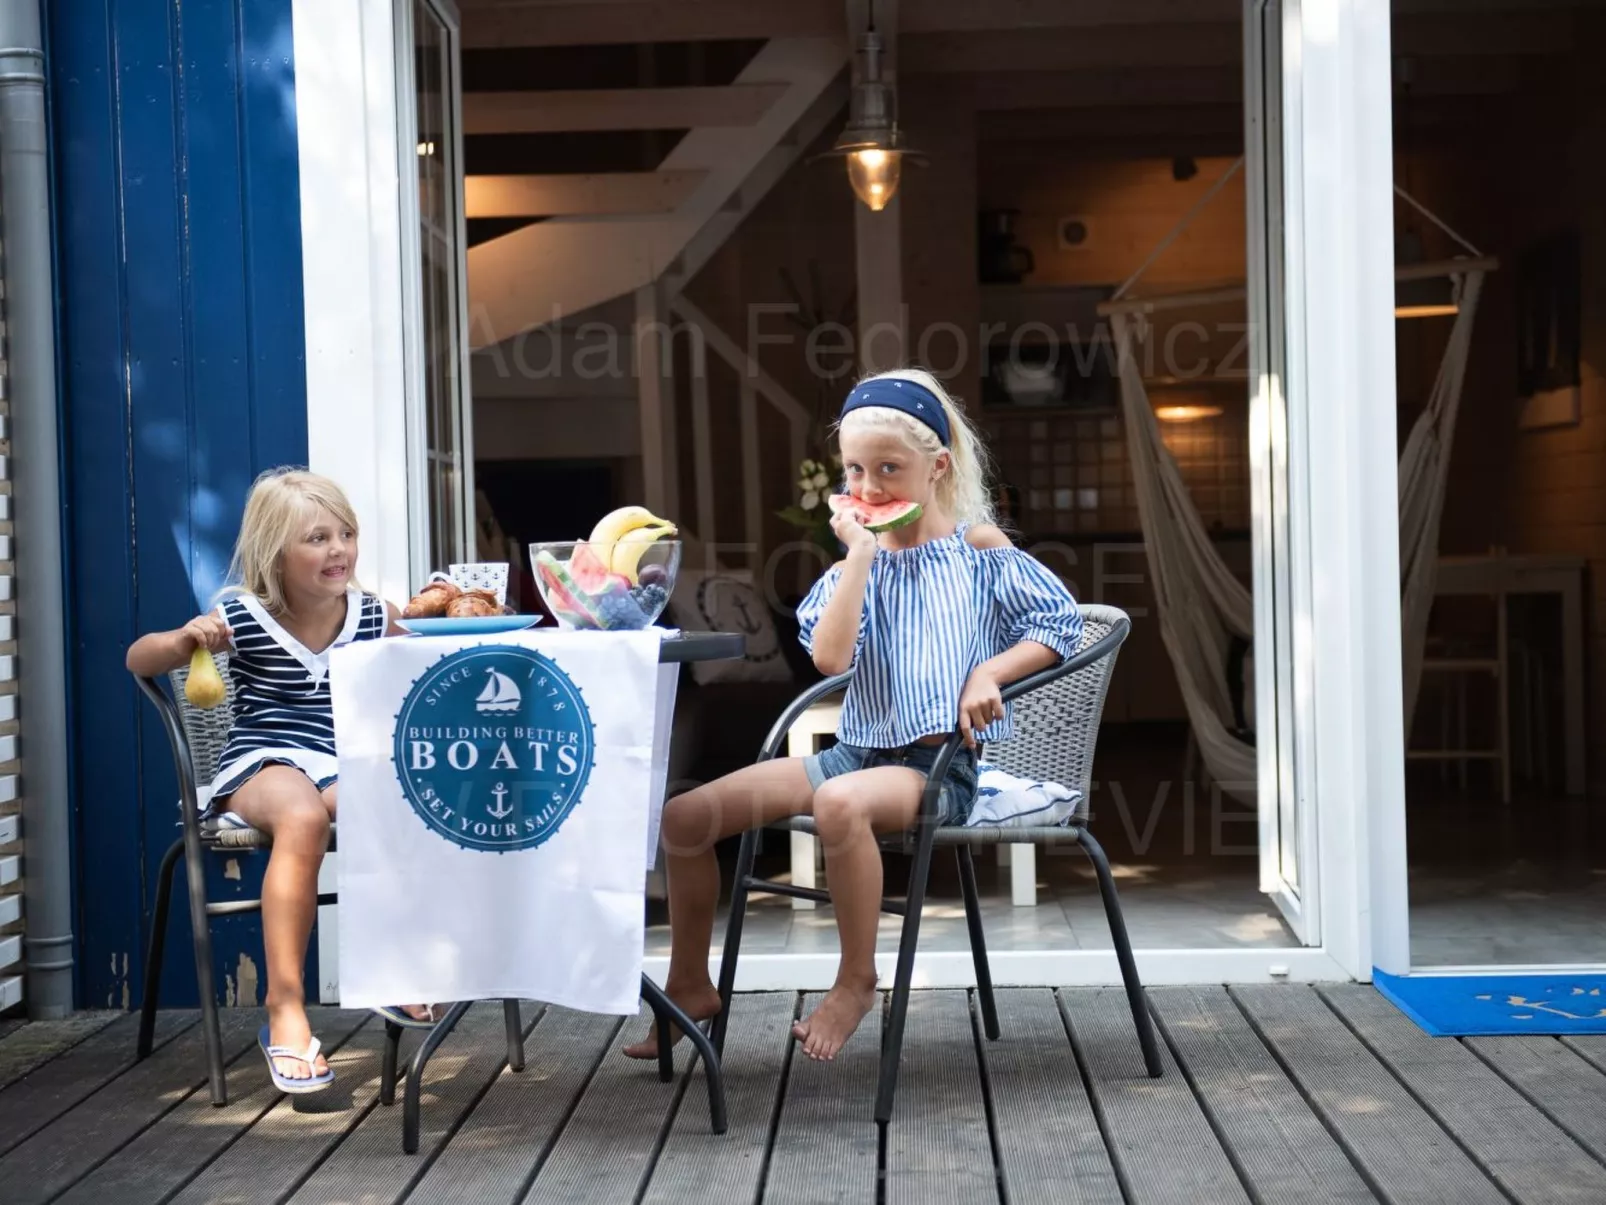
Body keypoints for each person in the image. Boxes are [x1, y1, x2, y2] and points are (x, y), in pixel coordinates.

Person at [627, 368, 1083, 1063]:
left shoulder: (978, 550)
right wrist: (860, 557)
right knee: (684, 818)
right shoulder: (855, 567)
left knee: (840, 803)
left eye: (889, 470)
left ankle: (856, 979)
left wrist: (990, 671)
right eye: (855, 470)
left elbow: (1059, 623)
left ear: (938, 468)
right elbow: (831, 659)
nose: (868, 489)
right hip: (853, 755)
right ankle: (690, 983)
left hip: (936, 767)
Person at [126, 468, 439, 1094]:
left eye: (346, 534)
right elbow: (140, 659)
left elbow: (436, 662)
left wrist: (448, 614)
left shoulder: (376, 615)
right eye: (317, 538)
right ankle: (286, 1008)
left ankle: (393, 967)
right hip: (260, 762)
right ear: (276, 553)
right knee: (303, 818)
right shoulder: (240, 615)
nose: (338, 550)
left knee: (387, 801)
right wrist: (188, 638)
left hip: (339, 760)